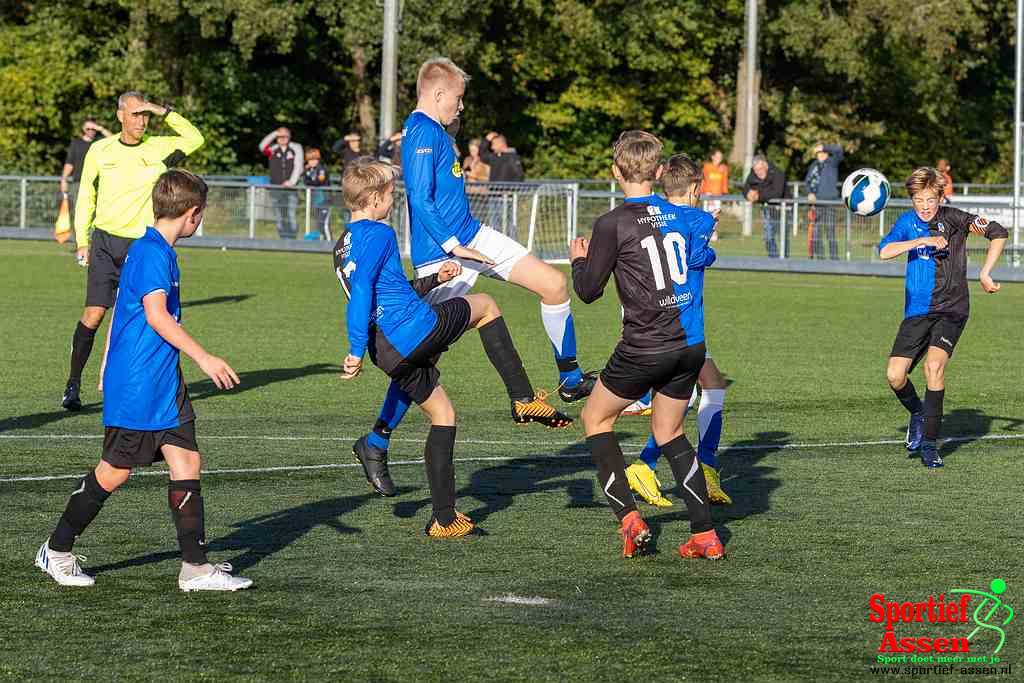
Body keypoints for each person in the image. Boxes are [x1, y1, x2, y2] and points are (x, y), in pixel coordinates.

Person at [349, 57, 589, 497]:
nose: (461, 107)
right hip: (444, 252)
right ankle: (377, 441)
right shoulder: (421, 131)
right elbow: (419, 198)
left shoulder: (437, 131)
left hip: (473, 236)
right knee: (421, 359)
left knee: (553, 284)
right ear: (438, 94)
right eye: (457, 99)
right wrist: (451, 246)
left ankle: (569, 381)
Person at [36, 169, 252, 592]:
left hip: (161, 381)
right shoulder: (154, 253)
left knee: (187, 461)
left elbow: (123, 306)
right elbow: (154, 315)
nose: (200, 220)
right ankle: (56, 550)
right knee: (114, 472)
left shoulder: (150, 247)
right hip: (141, 383)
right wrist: (204, 357)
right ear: (191, 214)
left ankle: (195, 567)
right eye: (200, 213)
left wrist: (105, 357)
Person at [336, 158, 566, 533]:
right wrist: (354, 348)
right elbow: (361, 294)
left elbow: (384, 292)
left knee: (444, 415)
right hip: (414, 330)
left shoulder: (343, 243)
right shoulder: (380, 233)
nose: (394, 201)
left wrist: (433, 281)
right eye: (392, 194)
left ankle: (444, 520)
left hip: (389, 350)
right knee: (488, 306)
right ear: (375, 198)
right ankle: (523, 399)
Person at [569, 131, 723, 561]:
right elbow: (700, 235)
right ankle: (705, 533)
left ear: (616, 172)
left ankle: (629, 518)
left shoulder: (612, 223)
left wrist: (579, 258)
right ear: (659, 172)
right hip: (688, 345)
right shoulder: (678, 213)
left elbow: (587, 291)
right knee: (670, 431)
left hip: (646, 345)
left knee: (596, 418)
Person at [61, 92, 204, 412]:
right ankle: (73, 382)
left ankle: (132, 381)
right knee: (94, 314)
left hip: (140, 247)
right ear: (120, 116)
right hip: (104, 242)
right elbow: (85, 194)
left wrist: (162, 110)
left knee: (138, 317)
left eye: (145, 115)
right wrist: (81, 240)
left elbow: (195, 138)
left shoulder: (157, 147)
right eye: (136, 114)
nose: (142, 121)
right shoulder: (101, 150)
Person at [622, 154, 733, 508]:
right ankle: (654, 465)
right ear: (696, 188)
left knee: (707, 387)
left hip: (653, 319)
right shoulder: (697, 218)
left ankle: (698, 466)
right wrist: (708, 237)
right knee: (691, 397)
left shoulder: (651, 214)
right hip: (685, 326)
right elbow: (697, 260)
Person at [879, 167, 1007, 468]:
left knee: (934, 368)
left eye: (931, 199)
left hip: (952, 308)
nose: (925, 206)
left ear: (940, 197)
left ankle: (929, 445)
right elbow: (885, 251)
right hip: (917, 311)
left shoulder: (955, 219)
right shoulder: (907, 222)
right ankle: (918, 413)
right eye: (919, 199)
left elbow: (998, 231)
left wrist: (986, 273)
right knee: (895, 376)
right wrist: (919, 242)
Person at [60, 117, 112, 243]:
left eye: (93, 128)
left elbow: (113, 139)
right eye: (88, 128)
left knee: (98, 214)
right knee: (79, 214)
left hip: (99, 184)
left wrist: (100, 128)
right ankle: (80, 242)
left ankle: (95, 241)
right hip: (79, 183)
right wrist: (64, 179)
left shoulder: (100, 143)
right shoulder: (76, 143)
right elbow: (69, 163)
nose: (90, 131)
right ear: (83, 129)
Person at [259, 126, 303, 239]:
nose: (282, 138)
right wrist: (274, 133)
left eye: (285, 136)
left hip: (291, 188)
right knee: (279, 214)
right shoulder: (273, 150)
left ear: (289, 137)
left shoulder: (296, 148)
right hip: (275, 187)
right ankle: (283, 238)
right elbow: (262, 146)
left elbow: (298, 166)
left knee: (291, 214)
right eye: (280, 136)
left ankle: (293, 237)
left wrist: (292, 182)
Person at [804, 142, 844, 260]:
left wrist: (825, 147)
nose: (821, 155)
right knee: (816, 232)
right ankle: (820, 258)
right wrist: (810, 193)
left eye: (823, 152)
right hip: (816, 204)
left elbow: (839, 150)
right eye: (819, 153)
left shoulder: (832, 163)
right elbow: (808, 182)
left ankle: (834, 258)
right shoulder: (813, 166)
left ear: (827, 153)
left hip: (829, 202)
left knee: (830, 232)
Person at [743, 155, 787, 258]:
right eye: (756, 170)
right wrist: (748, 194)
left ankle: (785, 258)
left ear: (766, 165)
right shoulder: (753, 174)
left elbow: (777, 193)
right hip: (767, 209)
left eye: (760, 169)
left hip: (783, 209)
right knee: (768, 235)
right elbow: (746, 188)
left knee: (784, 236)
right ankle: (773, 257)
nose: (759, 172)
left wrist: (758, 196)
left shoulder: (777, 173)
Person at [302, 147, 332, 240]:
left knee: (324, 223)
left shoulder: (322, 169)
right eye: (310, 160)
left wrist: (311, 180)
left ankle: (329, 243)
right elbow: (305, 181)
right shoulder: (308, 170)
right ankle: (322, 241)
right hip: (315, 200)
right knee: (318, 223)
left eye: (314, 159)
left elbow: (319, 181)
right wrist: (308, 175)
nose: (312, 162)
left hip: (324, 199)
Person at [701, 149, 729, 241]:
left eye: (720, 157)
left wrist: (725, 192)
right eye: (717, 156)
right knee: (707, 214)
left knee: (716, 215)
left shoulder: (724, 168)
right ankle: (705, 234)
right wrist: (705, 193)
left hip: (718, 195)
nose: (719, 158)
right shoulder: (707, 167)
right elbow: (705, 180)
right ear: (712, 157)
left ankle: (713, 233)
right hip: (708, 194)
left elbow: (724, 180)